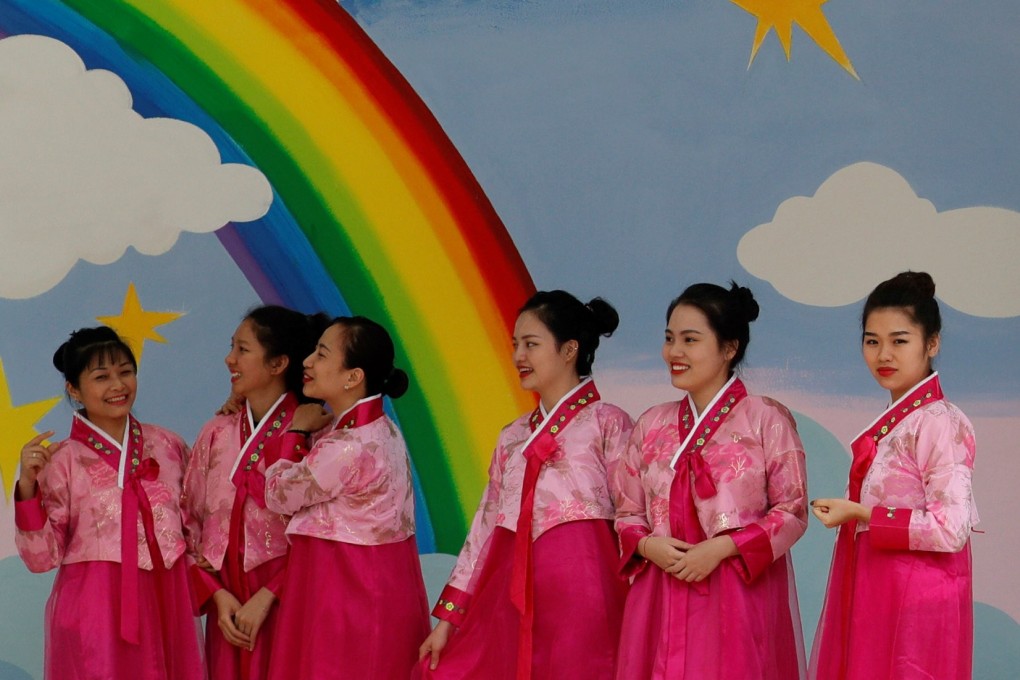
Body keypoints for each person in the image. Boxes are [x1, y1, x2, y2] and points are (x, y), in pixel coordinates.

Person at [417, 290, 633, 680]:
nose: (519, 356)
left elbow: (633, 514)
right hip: (508, 590)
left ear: (569, 350)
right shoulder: (512, 436)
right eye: (516, 345)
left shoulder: (608, 422)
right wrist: (447, 622)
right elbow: (483, 530)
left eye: (531, 344)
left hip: (585, 591)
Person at [613, 282, 808, 679]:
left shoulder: (765, 418)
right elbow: (627, 510)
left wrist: (722, 548)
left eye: (690, 339)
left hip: (735, 591)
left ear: (729, 347)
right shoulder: (651, 423)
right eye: (669, 339)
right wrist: (649, 545)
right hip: (659, 591)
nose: (674, 352)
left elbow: (792, 510)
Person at [809, 271, 978, 680]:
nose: (883, 354)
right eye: (872, 341)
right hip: (880, 588)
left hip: (917, 600)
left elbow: (950, 529)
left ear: (931, 343)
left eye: (899, 341)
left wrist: (862, 514)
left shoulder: (941, 421)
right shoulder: (899, 422)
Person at [14, 326, 203, 680]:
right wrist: (27, 486)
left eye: (125, 372)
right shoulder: (61, 461)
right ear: (74, 389)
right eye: (101, 377)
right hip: (95, 607)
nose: (118, 385)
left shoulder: (169, 445)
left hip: (167, 598)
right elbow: (42, 558)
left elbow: (194, 523)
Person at [263, 316, 430, 679]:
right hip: (374, 587)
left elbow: (278, 495)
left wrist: (293, 433)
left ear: (353, 377)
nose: (307, 361)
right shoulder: (382, 431)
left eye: (321, 354)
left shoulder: (347, 446)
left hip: (346, 591)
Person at [182, 305, 327, 680]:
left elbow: (324, 531)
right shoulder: (216, 432)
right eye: (232, 347)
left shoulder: (316, 434)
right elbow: (187, 520)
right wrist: (215, 594)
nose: (229, 359)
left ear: (278, 364)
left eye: (242, 350)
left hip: (291, 595)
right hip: (227, 600)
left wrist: (270, 594)